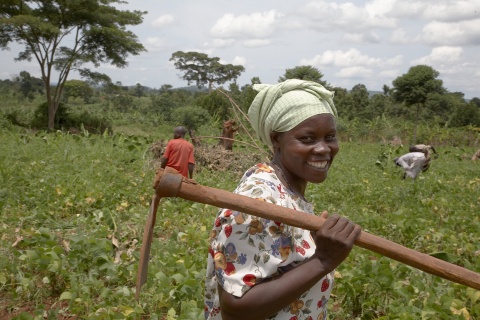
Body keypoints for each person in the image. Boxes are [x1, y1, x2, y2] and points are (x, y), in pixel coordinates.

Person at [204, 79, 361, 320]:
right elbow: (236, 309)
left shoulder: (286, 190)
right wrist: (323, 260)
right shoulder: (258, 200)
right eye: (307, 139)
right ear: (277, 139)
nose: (323, 149)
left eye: (330, 137)